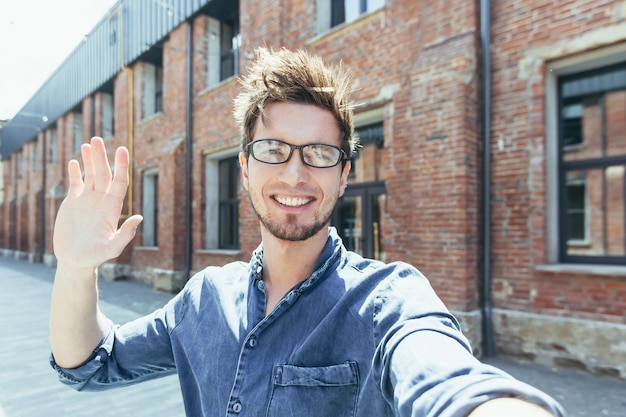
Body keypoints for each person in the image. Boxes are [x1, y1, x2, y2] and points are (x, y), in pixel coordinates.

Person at [50, 47, 566, 417]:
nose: (295, 174)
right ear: (245, 169)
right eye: (273, 150)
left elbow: (449, 381)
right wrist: (75, 267)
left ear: (343, 176)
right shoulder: (204, 300)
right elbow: (91, 364)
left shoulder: (387, 300)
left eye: (319, 154)